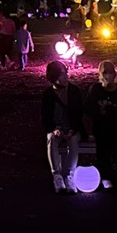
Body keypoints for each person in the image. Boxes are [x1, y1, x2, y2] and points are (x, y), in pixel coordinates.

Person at [84, 61, 117, 188]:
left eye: (110, 73)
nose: (107, 76)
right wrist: (100, 115)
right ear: (99, 74)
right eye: (104, 73)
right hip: (100, 128)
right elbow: (88, 109)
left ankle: (107, 175)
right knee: (102, 138)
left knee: (107, 136)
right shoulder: (95, 90)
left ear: (114, 74)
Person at [41, 60, 85, 193]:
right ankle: (57, 175)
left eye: (65, 73)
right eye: (61, 74)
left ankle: (70, 175)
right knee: (51, 139)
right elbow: (45, 117)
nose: (65, 77)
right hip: (57, 128)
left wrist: (73, 129)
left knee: (73, 140)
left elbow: (79, 114)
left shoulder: (74, 91)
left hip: (72, 127)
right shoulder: (48, 94)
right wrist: (54, 128)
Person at [0, 5, 16, 69]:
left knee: (2, 51)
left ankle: (3, 65)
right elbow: (14, 30)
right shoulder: (11, 21)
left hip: (3, 37)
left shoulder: (2, 21)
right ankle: (11, 61)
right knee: (9, 50)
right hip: (10, 37)